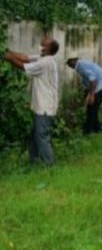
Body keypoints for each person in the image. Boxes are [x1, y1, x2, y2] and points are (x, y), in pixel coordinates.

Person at [5, 37, 59, 166]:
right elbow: (24, 57)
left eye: (43, 44)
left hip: (45, 106)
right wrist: (9, 52)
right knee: (34, 135)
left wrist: (9, 58)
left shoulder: (45, 62)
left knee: (41, 136)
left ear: (48, 48)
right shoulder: (42, 58)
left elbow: (23, 67)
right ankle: (33, 161)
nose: (40, 45)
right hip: (39, 105)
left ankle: (49, 164)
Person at [66, 57, 102, 135]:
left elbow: (93, 80)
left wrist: (92, 95)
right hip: (101, 86)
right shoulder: (83, 64)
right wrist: (87, 95)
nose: (70, 67)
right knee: (93, 108)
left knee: (92, 109)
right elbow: (87, 82)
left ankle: (88, 131)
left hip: (100, 87)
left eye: (70, 64)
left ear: (74, 61)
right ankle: (97, 129)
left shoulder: (80, 65)